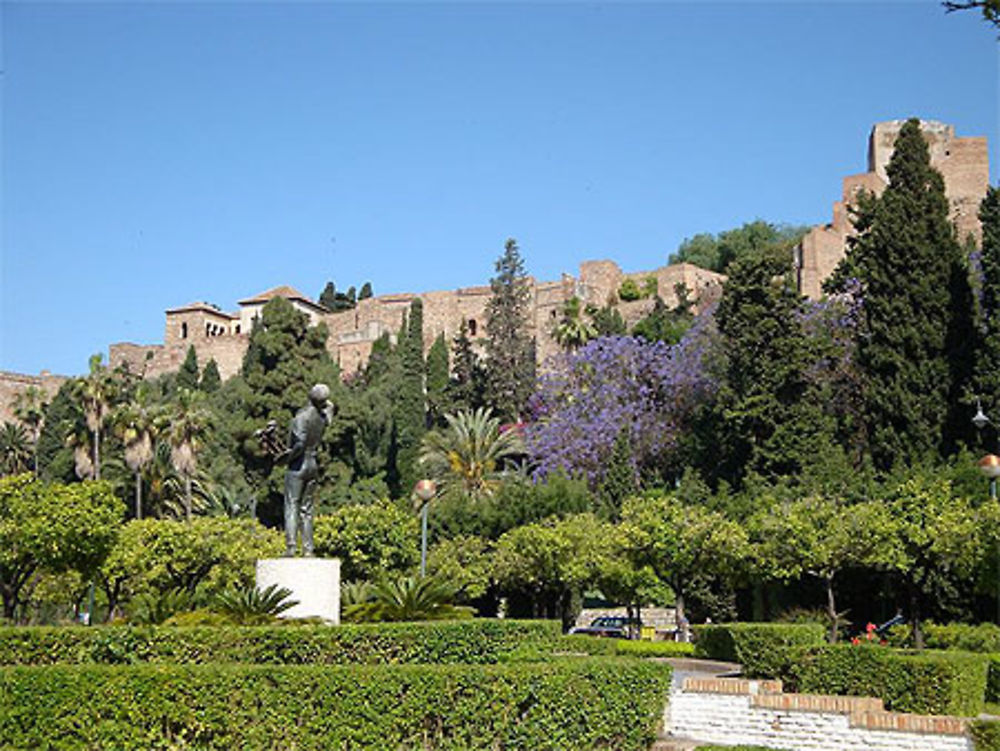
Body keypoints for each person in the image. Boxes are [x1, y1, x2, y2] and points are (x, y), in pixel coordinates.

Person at [283, 383, 332, 556]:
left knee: (292, 505)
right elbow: (330, 408)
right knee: (307, 509)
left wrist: (286, 458)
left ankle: (291, 547)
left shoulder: (302, 417)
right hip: (313, 464)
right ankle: (308, 549)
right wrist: (325, 403)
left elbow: (300, 444)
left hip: (298, 464)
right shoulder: (322, 417)